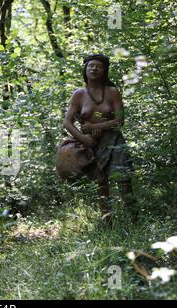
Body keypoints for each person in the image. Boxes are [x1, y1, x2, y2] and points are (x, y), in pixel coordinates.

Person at [62, 53, 137, 225]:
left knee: (124, 179)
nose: (94, 69)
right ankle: (107, 223)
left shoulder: (112, 92)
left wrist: (96, 127)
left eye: (99, 66)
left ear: (104, 71)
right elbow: (67, 122)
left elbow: (120, 120)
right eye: (91, 66)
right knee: (101, 184)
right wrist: (84, 138)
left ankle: (135, 221)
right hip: (90, 143)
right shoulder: (79, 94)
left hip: (114, 141)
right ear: (85, 69)